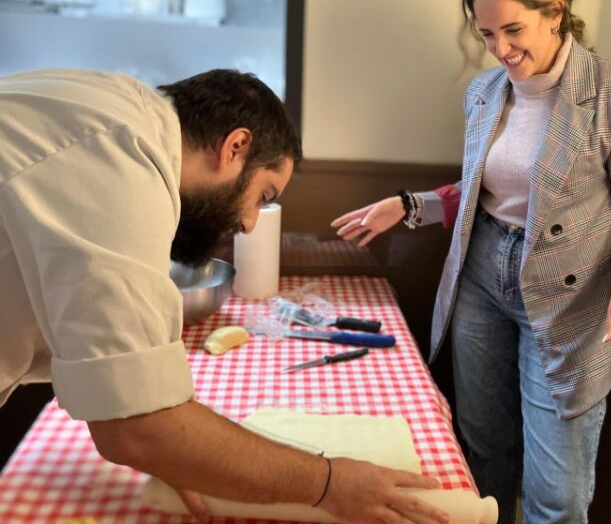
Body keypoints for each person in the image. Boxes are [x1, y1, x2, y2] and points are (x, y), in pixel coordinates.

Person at [0, 68, 449, 524]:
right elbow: (135, 428)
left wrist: (186, 453)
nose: (251, 224)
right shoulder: (122, 164)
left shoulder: (117, 108)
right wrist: (329, 483)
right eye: (263, 195)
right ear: (235, 147)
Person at [332, 0, 611, 524]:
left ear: (556, 12)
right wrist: (409, 205)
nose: (499, 49)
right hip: (482, 280)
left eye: (512, 29)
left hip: (572, 300)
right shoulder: (484, 93)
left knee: (557, 493)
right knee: (484, 452)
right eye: (486, 34)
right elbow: (483, 194)